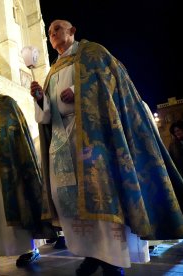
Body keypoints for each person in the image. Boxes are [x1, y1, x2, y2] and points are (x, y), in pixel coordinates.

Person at [30, 19, 183, 275]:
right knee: (68, 198)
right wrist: (40, 99)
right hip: (61, 140)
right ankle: (91, 253)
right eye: (49, 32)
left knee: (101, 195)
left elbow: (114, 82)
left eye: (57, 28)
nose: (52, 34)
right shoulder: (52, 70)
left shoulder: (93, 53)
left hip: (93, 137)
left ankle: (111, 256)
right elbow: (46, 115)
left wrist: (78, 90)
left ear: (72, 31)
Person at [0, 74, 55, 269]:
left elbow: (12, 130)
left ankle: (29, 249)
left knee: (16, 205)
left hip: (6, 169)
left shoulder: (6, 104)